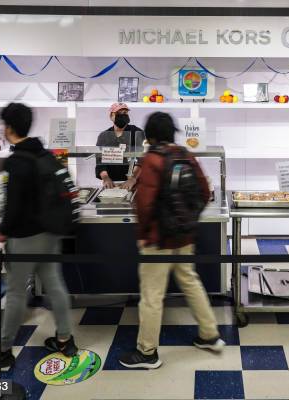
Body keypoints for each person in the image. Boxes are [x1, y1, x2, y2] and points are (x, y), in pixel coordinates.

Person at [0, 103, 77, 369]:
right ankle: (65, 339)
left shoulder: (17, 162)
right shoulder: (46, 154)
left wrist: (4, 230)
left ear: (9, 128)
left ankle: (2, 350)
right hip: (51, 232)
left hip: (26, 236)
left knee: (16, 291)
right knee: (55, 284)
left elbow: (14, 205)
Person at [119, 112, 224, 369]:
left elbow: (144, 205)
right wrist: (188, 220)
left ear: (150, 135)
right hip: (184, 236)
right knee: (190, 281)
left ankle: (147, 352)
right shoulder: (185, 155)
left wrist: (144, 235)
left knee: (152, 294)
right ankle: (210, 334)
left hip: (158, 240)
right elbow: (205, 191)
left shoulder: (152, 160)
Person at [95, 102, 144, 189]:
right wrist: (106, 178)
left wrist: (133, 179)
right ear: (111, 116)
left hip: (134, 183)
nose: (122, 115)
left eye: (125, 113)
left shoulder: (137, 132)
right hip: (112, 184)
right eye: (118, 113)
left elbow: (141, 159)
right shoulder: (103, 136)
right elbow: (100, 162)